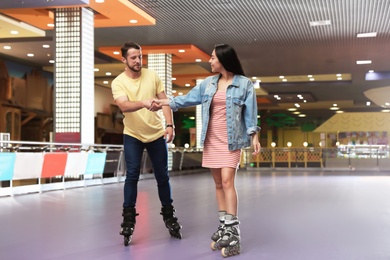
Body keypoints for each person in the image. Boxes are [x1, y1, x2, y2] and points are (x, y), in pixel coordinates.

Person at [154, 43, 260, 257]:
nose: (209, 61)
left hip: (231, 141)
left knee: (228, 181)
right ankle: (223, 226)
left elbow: (251, 113)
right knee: (219, 183)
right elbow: (185, 99)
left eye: (212, 58)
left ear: (223, 59)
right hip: (211, 139)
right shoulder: (208, 84)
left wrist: (254, 135)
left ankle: (233, 230)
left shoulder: (244, 84)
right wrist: (162, 102)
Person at [111, 41, 182, 246]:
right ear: (124, 59)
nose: (138, 61)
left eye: (140, 57)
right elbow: (124, 105)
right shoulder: (118, 82)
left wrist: (170, 125)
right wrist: (143, 103)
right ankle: (128, 217)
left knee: (162, 176)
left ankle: (169, 215)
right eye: (133, 57)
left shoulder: (152, 76)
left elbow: (165, 100)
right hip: (132, 134)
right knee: (132, 174)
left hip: (156, 134)